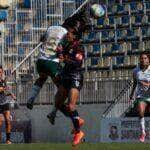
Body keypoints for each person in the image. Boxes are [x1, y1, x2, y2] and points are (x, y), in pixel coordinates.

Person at [27, 9, 91, 113]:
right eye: (73, 29)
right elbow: (64, 48)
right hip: (53, 62)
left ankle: (31, 98)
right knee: (63, 88)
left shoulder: (52, 27)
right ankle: (55, 111)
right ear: (70, 28)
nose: (73, 31)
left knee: (42, 78)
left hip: (40, 60)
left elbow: (41, 39)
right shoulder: (66, 33)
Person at [129, 52, 150, 142]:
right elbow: (135, 83)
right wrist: (132, 94)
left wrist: (144, 83)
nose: (143, 60)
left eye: (145, 58)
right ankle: (143, 132)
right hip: (141, 96)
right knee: (141, 113)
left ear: (148, 60)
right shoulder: (135, 71)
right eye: (141, 58)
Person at [0, 65, 16, 144]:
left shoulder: (3, 81)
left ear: (2, 72)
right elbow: (2, 89)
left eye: (0, 72)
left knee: (8, 121)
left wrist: (11, 94)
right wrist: (2, 89)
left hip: (5, 103)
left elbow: (6, 92)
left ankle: (8, 140)